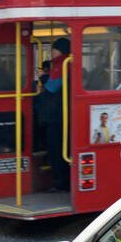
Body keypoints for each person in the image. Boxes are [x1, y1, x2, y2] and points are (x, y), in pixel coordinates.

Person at [45, 37, 71, 191]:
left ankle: (60, 182)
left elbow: (52, 87)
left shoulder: (61, 64)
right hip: (66, 114)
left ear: (59, 50)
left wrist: (42, 78)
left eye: (53, 49)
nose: (51, 52)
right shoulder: (70, 63)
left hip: (56, 116)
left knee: (56, 149)